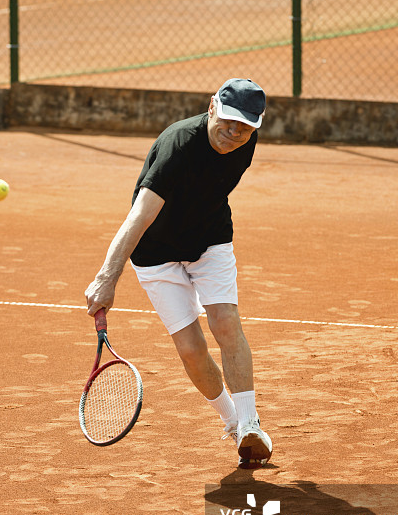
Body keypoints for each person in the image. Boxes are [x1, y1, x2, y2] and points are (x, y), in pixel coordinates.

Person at [85, 78, 273, 467]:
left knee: (225, 322)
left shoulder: (245, 140)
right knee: (191, 349)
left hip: (210, 240)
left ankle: (251, 424)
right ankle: (234, 424)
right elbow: (139, 217)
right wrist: (107, 277)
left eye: (245, 127)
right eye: (228, 122)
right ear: (211, 107)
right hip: (156, 252)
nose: (234, 133)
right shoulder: (178, 148)